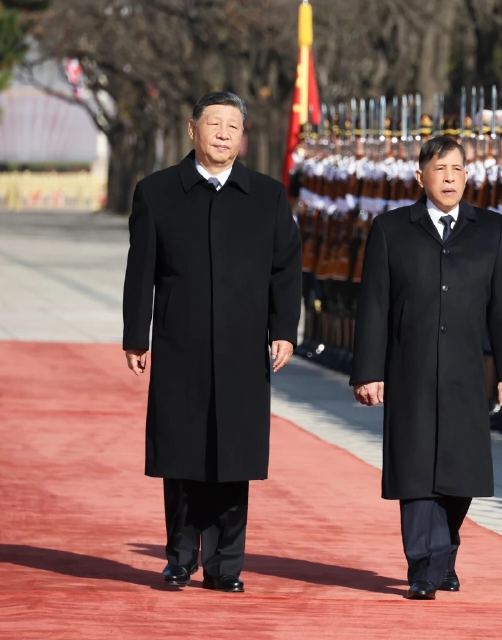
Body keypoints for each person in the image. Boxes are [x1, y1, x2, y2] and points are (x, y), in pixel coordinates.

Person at [122, 92, 302, 593]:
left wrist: (284, 329)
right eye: (214, 123)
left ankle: (226, 564)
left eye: (233, 126)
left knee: (233, 459)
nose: (224, 133)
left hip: (244, 351)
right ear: (191, 130)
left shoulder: (266, 196)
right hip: (181, 347)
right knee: (180, 457)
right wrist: (137, 336)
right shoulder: (157, 192)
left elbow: (285, 270)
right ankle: (180, 557)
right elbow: (141, 274)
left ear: (242, 137)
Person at [351, 135, 502, 600]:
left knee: (459, 472)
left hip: (465, 373)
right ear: (420, 177)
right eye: (439, 170)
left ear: (467, 176)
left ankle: (442, 553)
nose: (449, 179)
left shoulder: (490, 229)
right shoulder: (391, 229)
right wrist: (368, 370)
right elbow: (373, 306)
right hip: (408, 369)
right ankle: (423, 567)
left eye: (456, 170)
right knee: (415, 470)